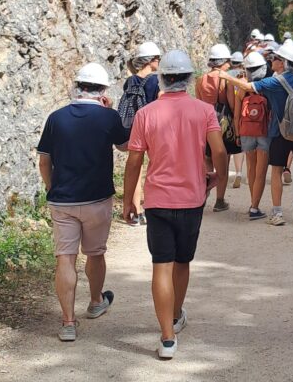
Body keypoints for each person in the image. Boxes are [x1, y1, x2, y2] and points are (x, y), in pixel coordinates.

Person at [123, 49, 228, 359]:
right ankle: (176, 313)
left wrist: (129, 199)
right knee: (183, 262)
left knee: (161, 265)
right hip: (192, 198)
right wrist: (217, 179)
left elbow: (133, 162)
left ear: (162, 79)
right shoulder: (204, 111)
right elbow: (219, 152)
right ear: (188, 79)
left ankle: (167, 338)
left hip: (157, 199)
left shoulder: (146, 114)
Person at [37, 62, 130, 342]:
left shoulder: (56, 118)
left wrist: (52, 186)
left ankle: (67, 323)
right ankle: (95, 302)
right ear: (102, 90)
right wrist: (109, 110)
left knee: (65, 258)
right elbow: (125, 146)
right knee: (95, 253)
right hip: (97, 199)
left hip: (62, 200)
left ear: (77, 87)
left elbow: (44, 160)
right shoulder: (108, 117)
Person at [238, 41, 293, 225]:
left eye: (276, 58)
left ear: (284, 63)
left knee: (277, 171)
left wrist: (225, 76)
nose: (273, 60)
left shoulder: (275, 81)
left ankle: (277, 213)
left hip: (279, 132)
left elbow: (249, 87)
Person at [119, 40, 162, 226]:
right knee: (155, 166)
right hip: (151, 128)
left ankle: (136, 210)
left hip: (133, 128)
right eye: (157, 58)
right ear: (150, 60)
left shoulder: (130, 81)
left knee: (136, 166)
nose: (159, 62)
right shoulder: (155, 80)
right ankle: (153, 205)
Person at [195, 43, 233, 212]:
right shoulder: (225, 78)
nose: (230, 65)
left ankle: (203, 196)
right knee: (223, 162)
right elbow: (231, 103)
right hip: (222, 124)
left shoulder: (201, 79)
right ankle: (220, 200)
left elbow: (197, 102)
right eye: (228, 61)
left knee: (207, 161)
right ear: (223, 61)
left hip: (203, 122)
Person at [237, 51, 272, 219]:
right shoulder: (268, 86)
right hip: (264, 131)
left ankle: (253, 203)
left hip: (246, 130)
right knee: (261, 171)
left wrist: (238, 133)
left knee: (250, 167)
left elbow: (237, 113)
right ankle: (254, 207)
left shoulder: (242, 88)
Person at [227, 52, 246, 190]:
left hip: (229, 111)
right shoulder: (245, 74)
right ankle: (239, 172)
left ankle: (224, 172)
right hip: (243, 111)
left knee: (228, 146)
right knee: (239, 146)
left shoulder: (227, 75)